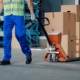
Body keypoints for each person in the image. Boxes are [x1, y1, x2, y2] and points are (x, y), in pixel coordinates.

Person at [0, 0, 36, 65]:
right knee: (6, 36)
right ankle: (6, 58)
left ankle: (28, 53)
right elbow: (1, 2)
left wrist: (32, 14)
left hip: (18, 15)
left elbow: (29, 1)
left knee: (20, 35)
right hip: (7, 16)